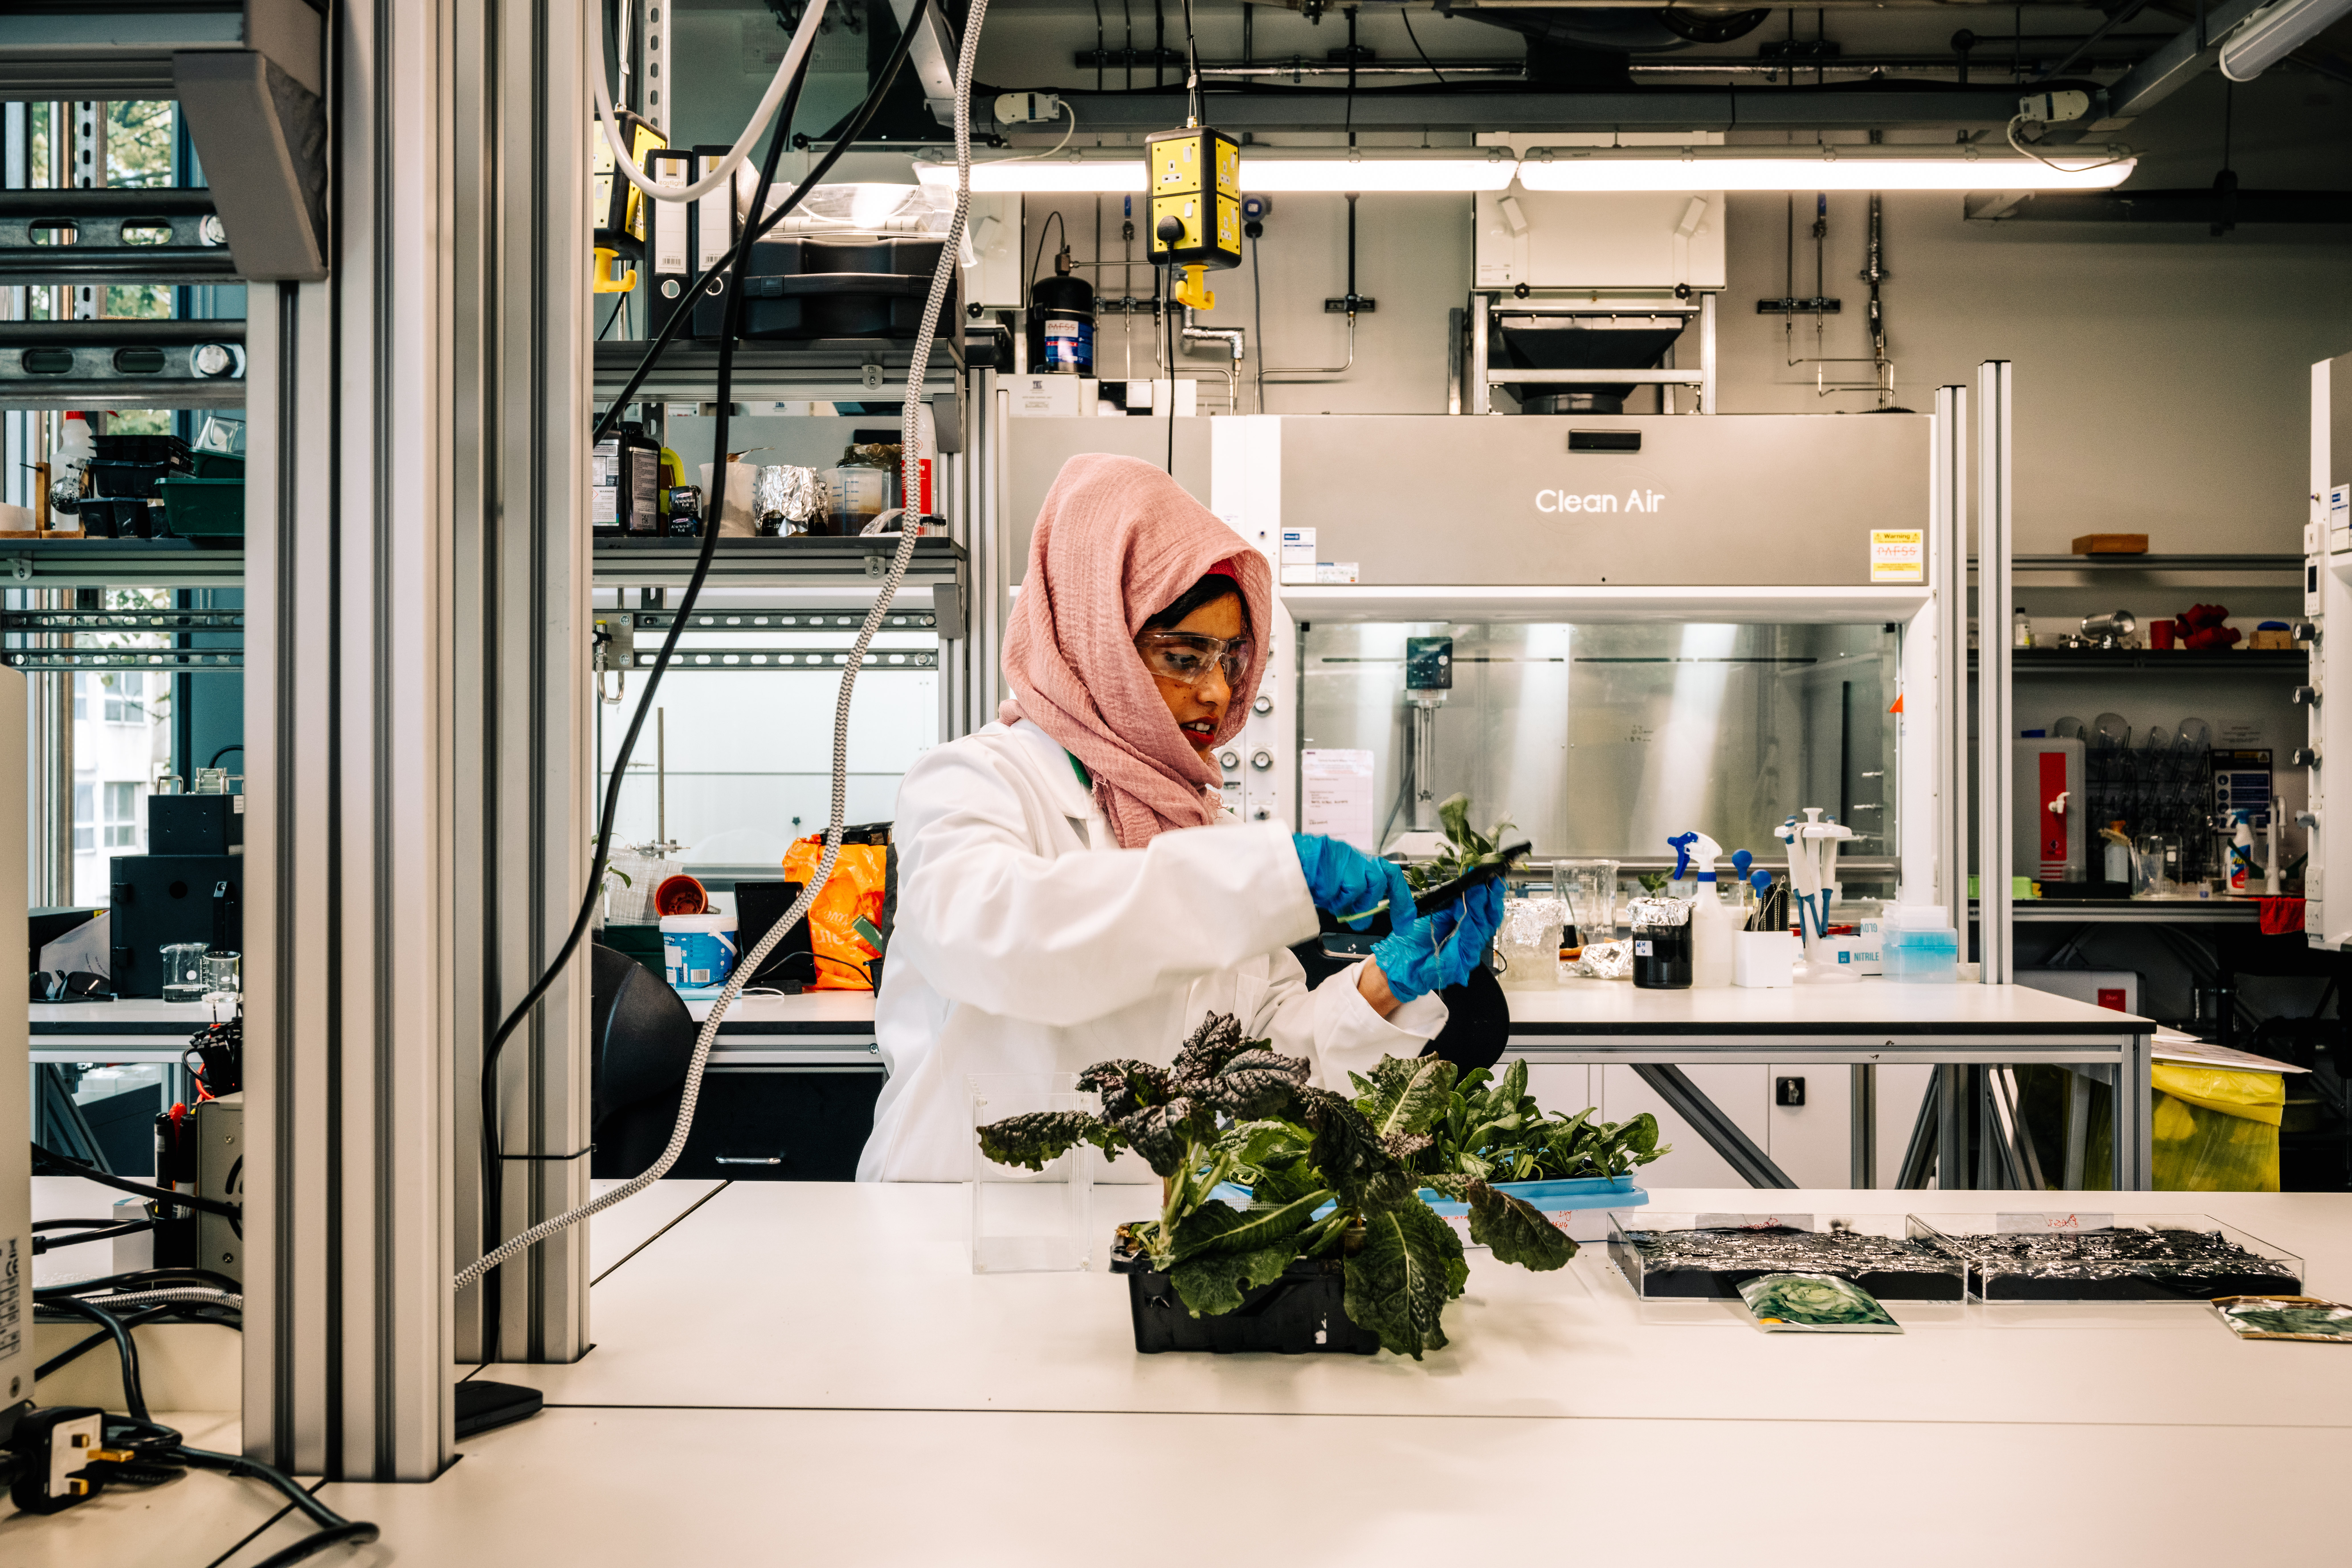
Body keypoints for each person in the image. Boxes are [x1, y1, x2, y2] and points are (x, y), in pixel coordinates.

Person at [856, 453, 1504, 1182]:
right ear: (1097, 640)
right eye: (1184, 655)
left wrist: (1393, 981)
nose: (1219, 693)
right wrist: (1268, 878)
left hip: (1143, 1238)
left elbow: (1272, 1069)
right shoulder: (977, 782)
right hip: (950, 1235)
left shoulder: (1207, 838)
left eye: (1231, 658)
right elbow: (1007, 943)